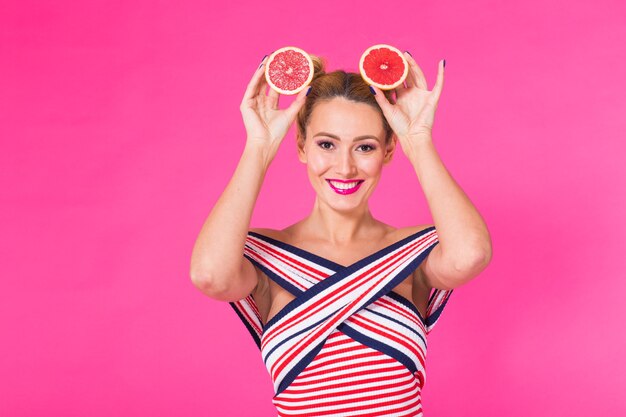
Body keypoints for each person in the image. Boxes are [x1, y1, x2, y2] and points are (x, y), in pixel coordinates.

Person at [190, 51, 492, 417]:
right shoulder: (264, 255)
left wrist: (418, 138)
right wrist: (260, 146)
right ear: (301, 145)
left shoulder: (413, 253)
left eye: (365, 147)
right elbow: (210, 276)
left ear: (388, 150)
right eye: (326, 144)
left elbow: (471, 254)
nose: (345, 167)